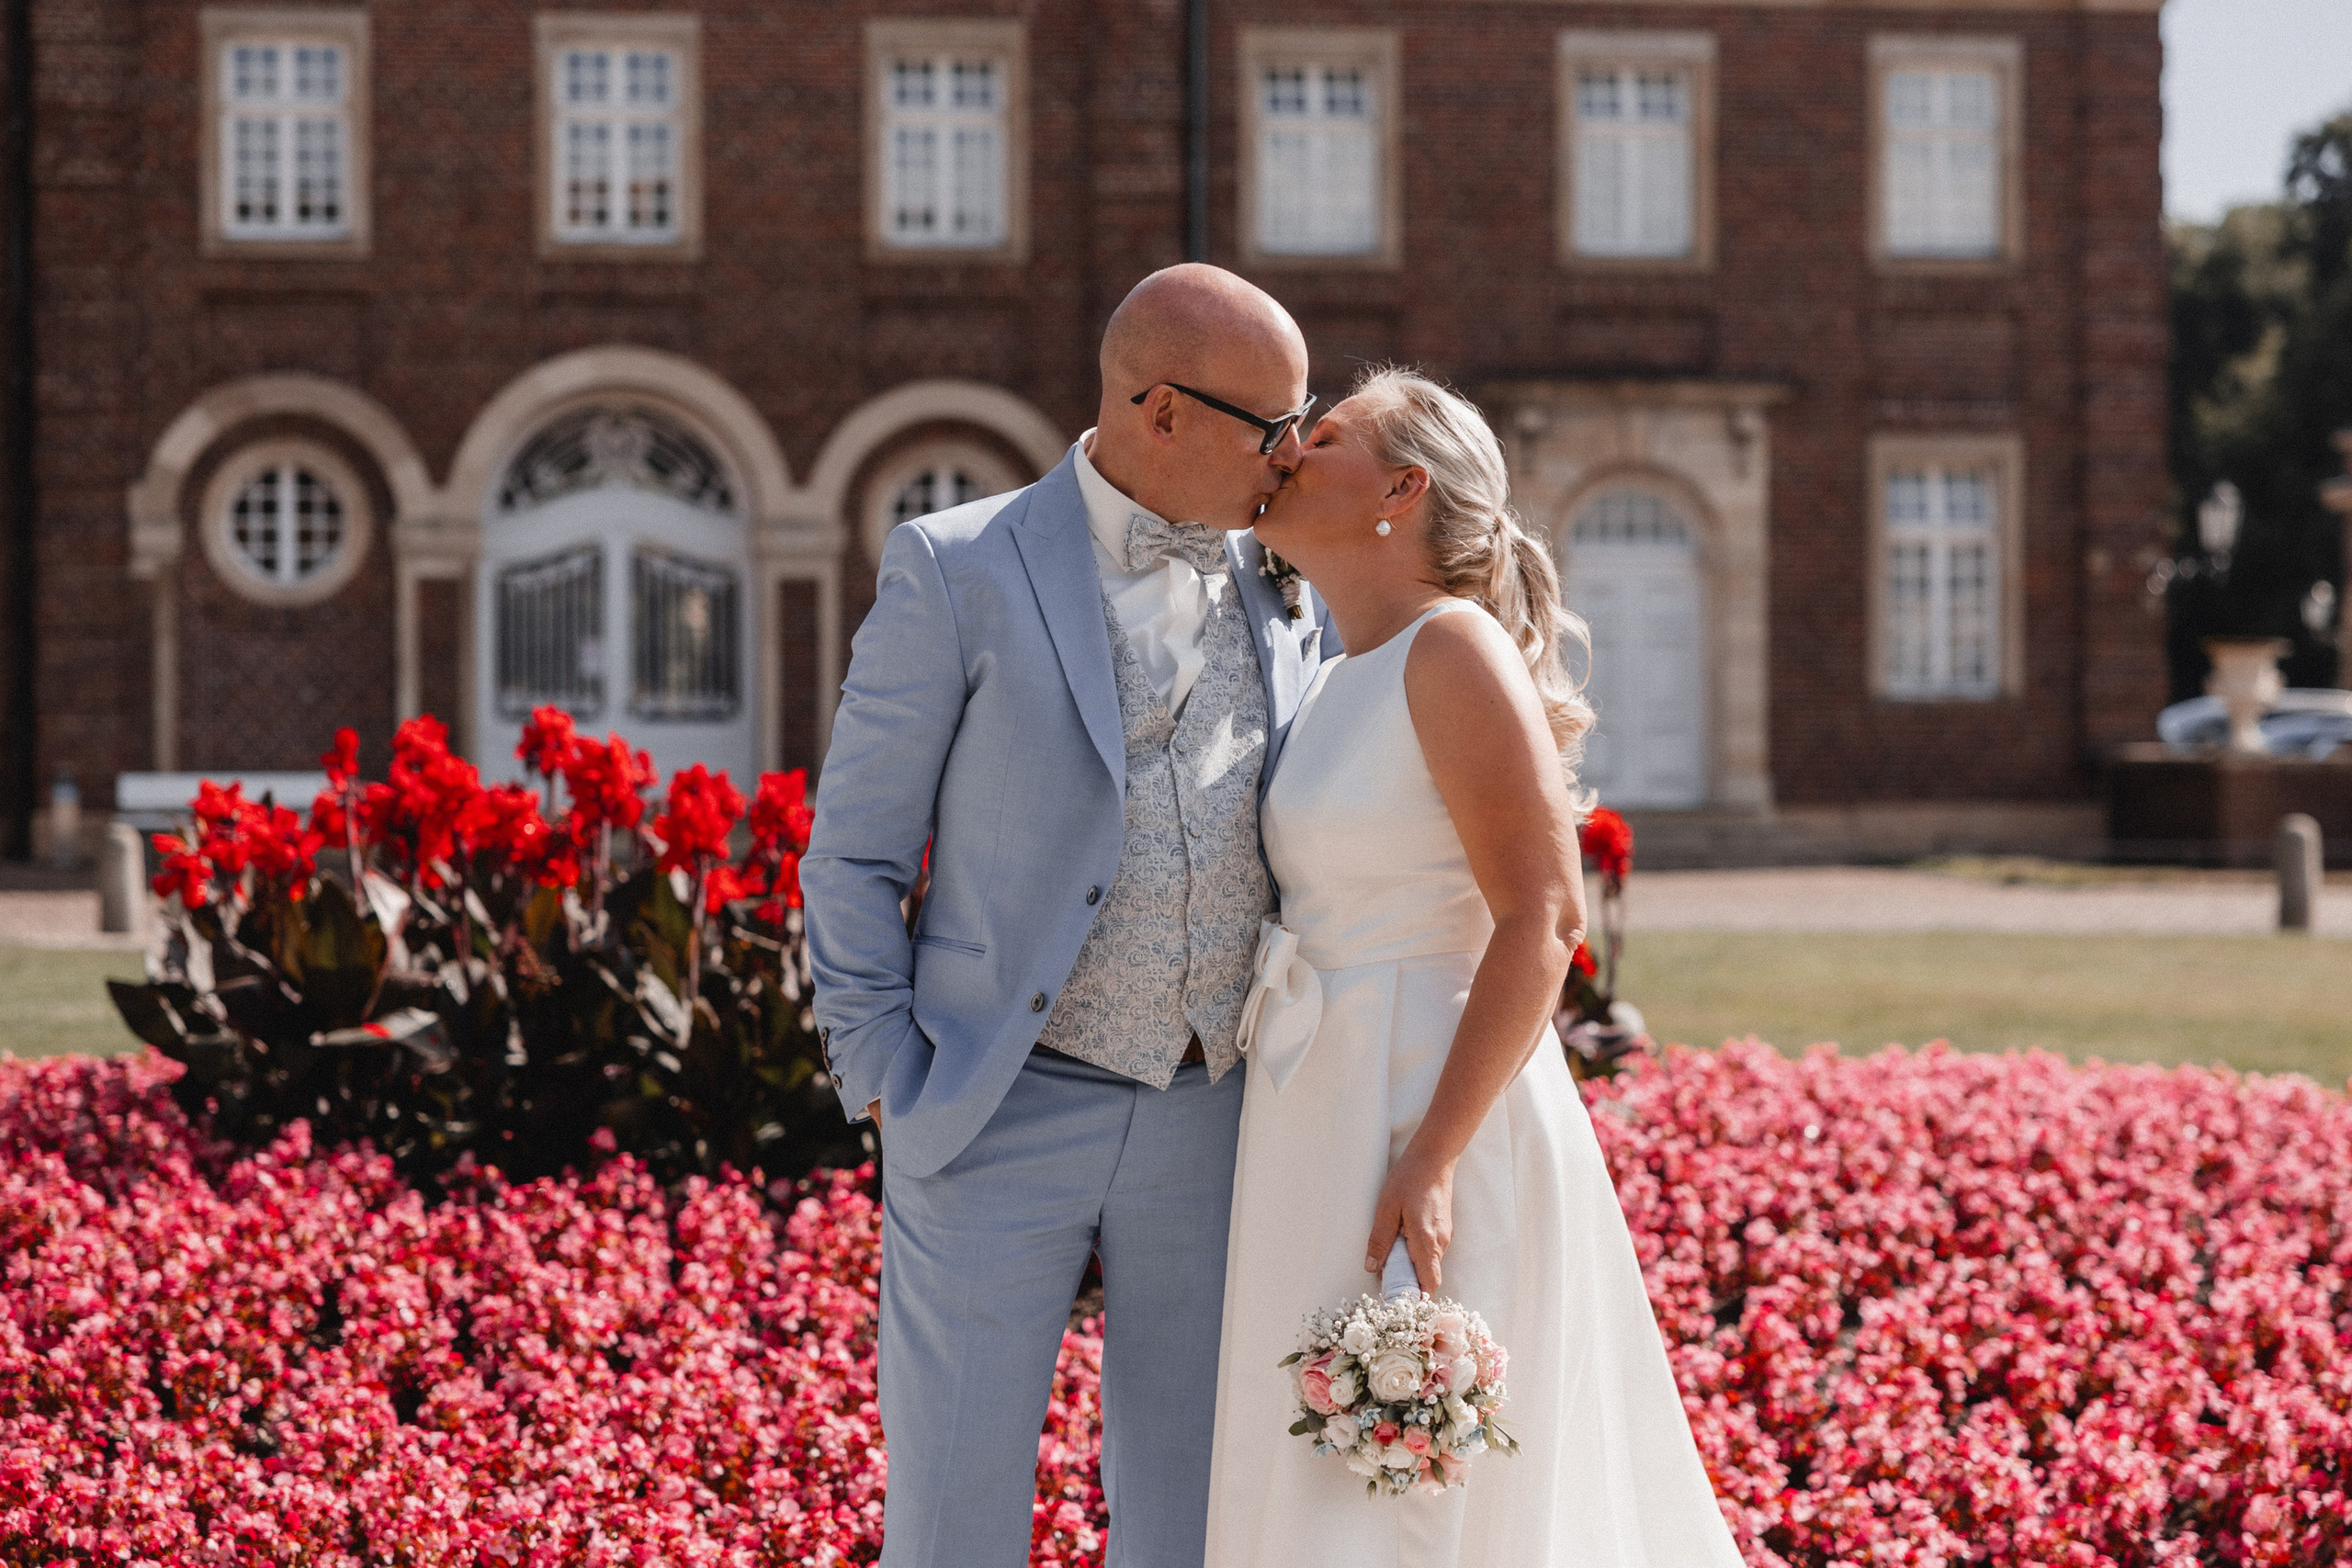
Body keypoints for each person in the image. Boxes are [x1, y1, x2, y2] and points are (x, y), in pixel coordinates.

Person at [801, 264, 1331, 1568]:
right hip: (994, 1100)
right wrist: (886, 1079)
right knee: (953, 1516)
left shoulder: (1286, 576)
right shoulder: (956, 567)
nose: (1296, 453)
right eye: (1273, 425)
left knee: (1192, 1520)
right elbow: (854, 852)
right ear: (1162, 409)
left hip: (1213, 1112)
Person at [1204, 367, 1746, 1565]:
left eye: (1325, 434)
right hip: (1319, 1094)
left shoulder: (1452, 649)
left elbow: (1544, 914)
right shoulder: (1335, 672)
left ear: (1402, 489)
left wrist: (1434, 1153)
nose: (1287, 446)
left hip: (1428, 1097)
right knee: (1328, 1475)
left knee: (1427, 1498)